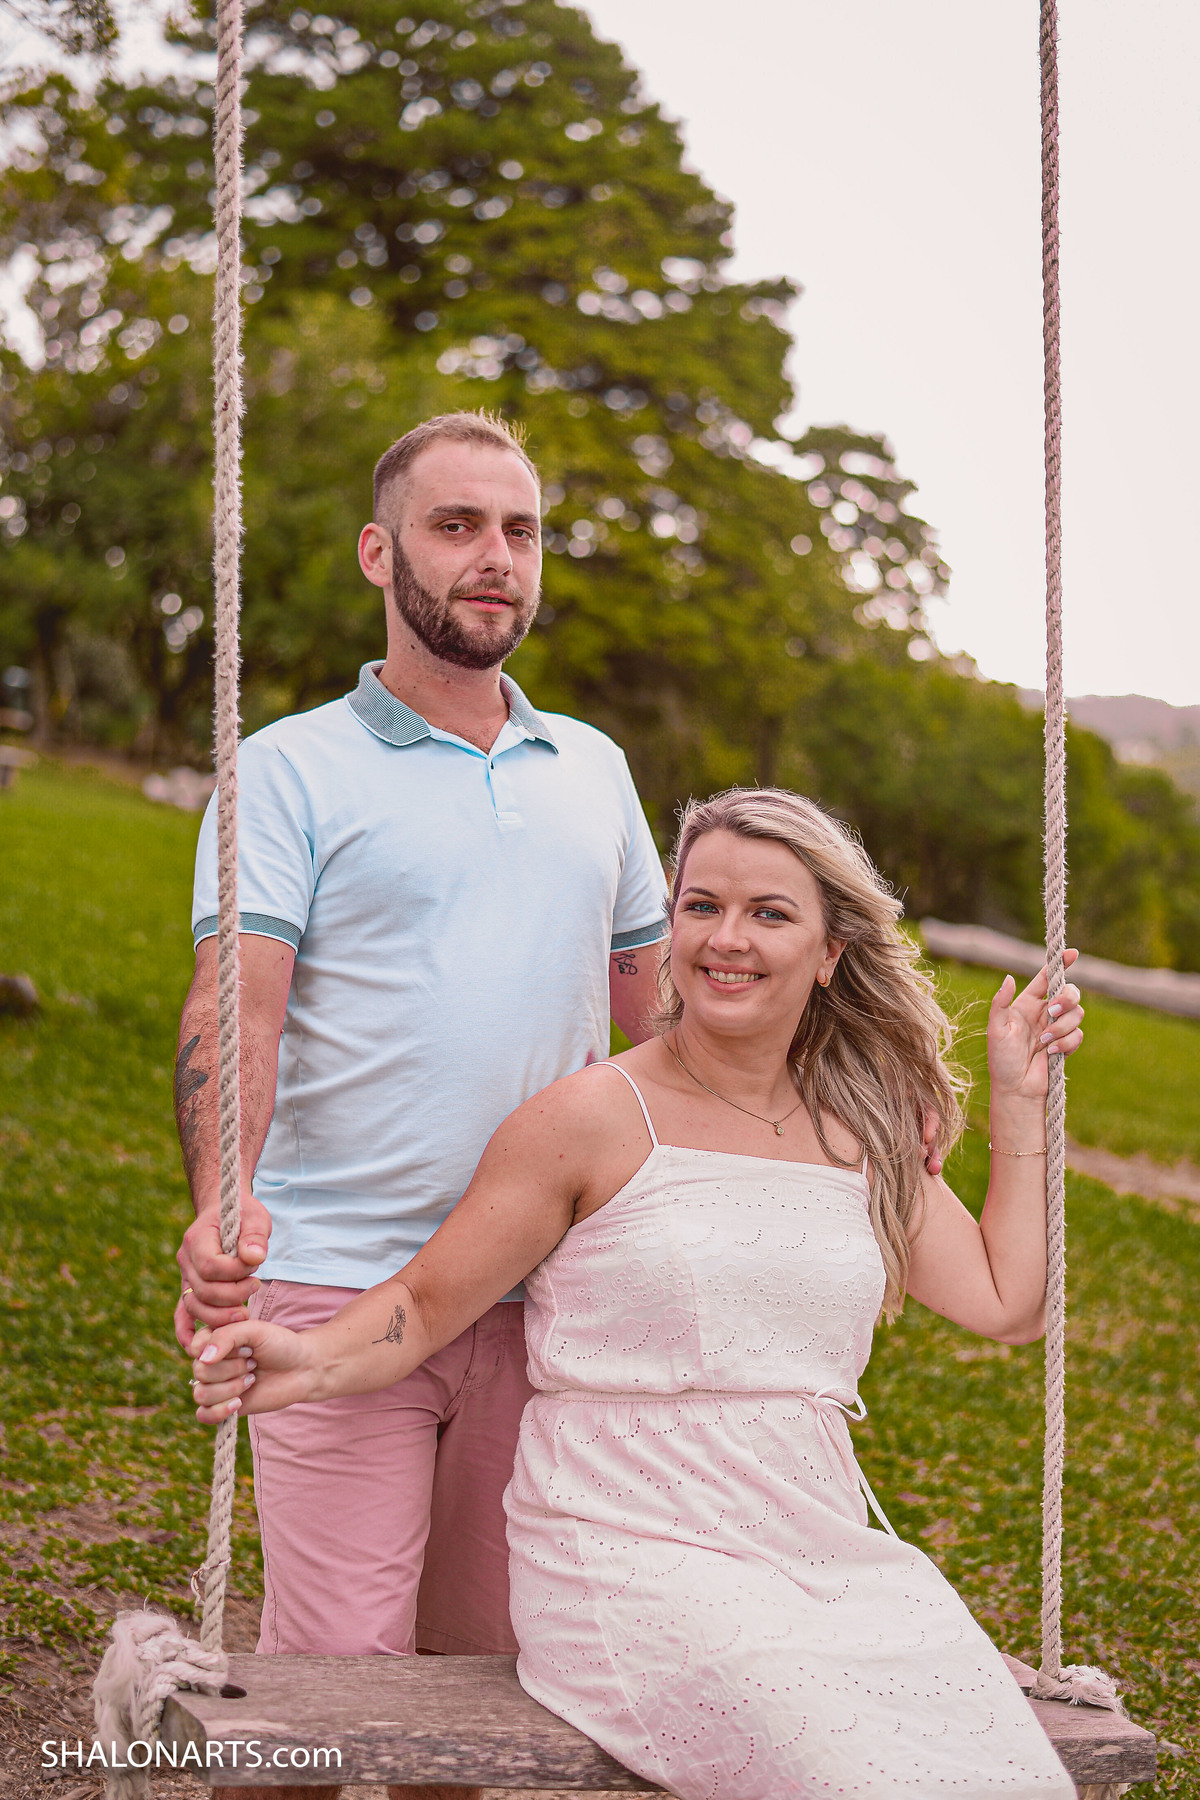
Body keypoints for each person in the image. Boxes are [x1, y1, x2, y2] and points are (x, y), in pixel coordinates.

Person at [191, 786, 1083, 1800]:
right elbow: (429, 1302)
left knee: (1000, 1768)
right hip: (629, 1550)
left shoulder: (861, 1129)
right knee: (846, 1766)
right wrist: (309, 1357)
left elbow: (1008, 1302)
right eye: (702, 906)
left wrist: (1019, 1099)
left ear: (830, 952)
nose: (726, 939)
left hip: (815, 1543)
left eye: (769, 913)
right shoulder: (592, 1119)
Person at [173, 411, 672, 1800]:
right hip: (338, 1288)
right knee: (335, 1690)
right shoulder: (285, 768)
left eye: (520, 530)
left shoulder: (597, 768)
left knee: (481, 1692)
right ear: (378, 554)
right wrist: (222, 1204)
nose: (496, 557)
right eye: (457, 527)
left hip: (548, 1297)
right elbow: (237, 1008)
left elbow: (663, 1023)